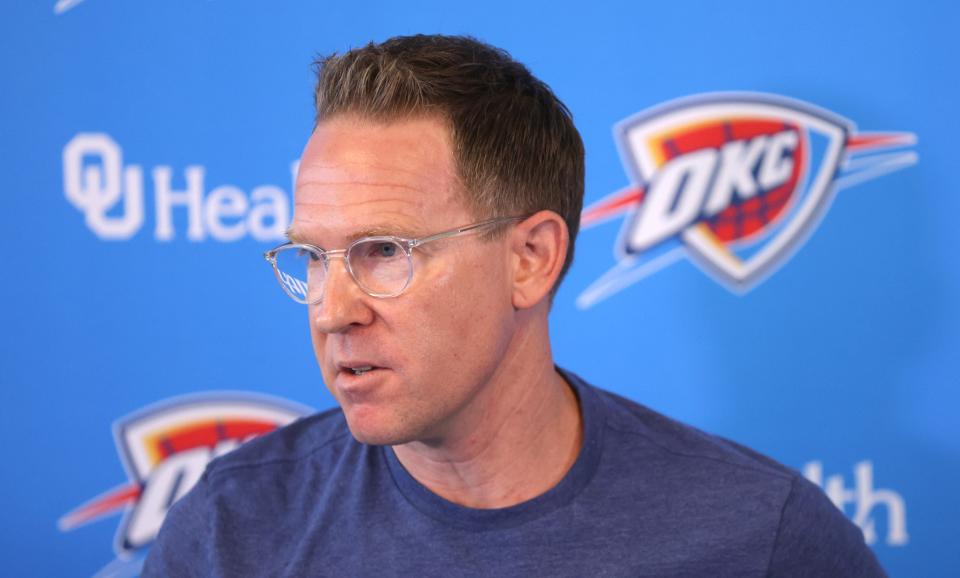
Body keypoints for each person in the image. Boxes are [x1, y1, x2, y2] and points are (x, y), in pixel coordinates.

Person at [144, 34, 886, 577]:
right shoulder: (231, 530)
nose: (333, 309)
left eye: (385, 251)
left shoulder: (761, 537)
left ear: (530, 260)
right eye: (314, 256)